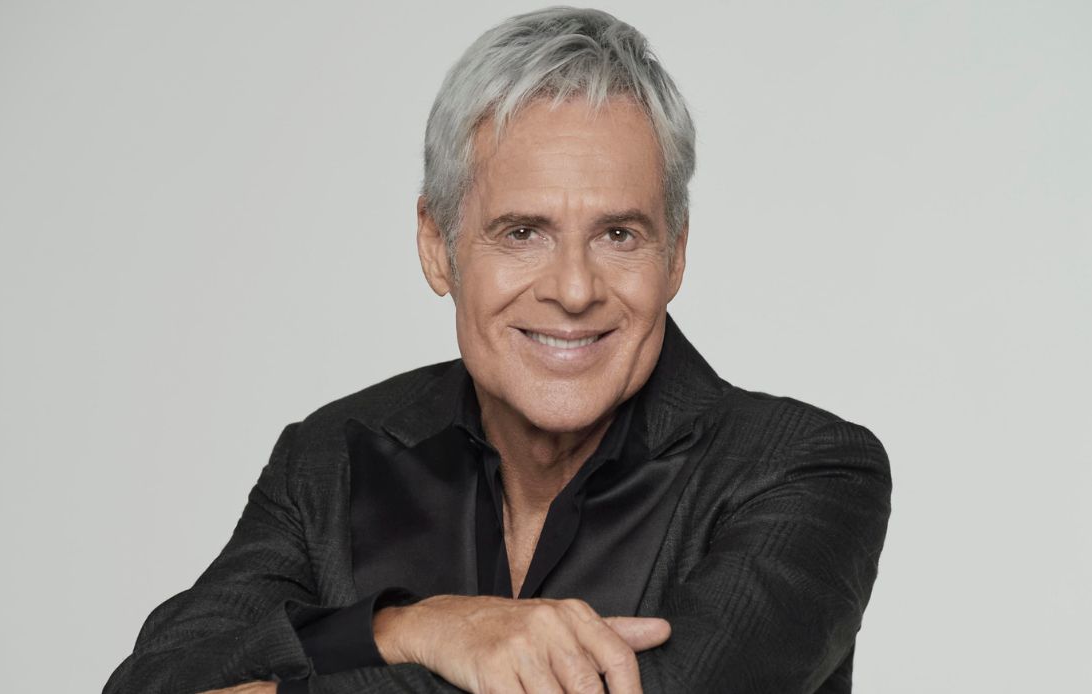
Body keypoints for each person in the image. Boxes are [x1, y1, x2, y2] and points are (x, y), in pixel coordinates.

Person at [103, 7, 891, 694]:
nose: (574, 289)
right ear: (436, 246)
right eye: (522, 233)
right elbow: (157, 680)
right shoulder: (332, 459)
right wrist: (411, 628)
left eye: (619, 234)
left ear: (674, 254)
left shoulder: (803, 471)